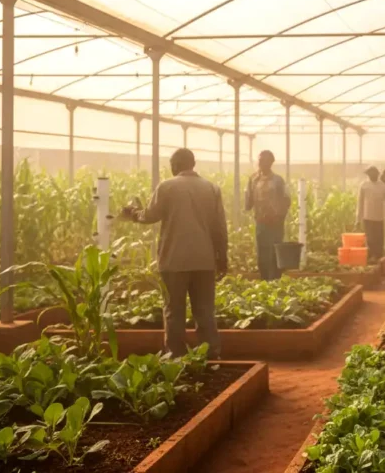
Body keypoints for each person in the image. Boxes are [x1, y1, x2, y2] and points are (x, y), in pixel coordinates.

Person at [121, 148, 226, 359]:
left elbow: (149, 216)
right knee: (204, 311)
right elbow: (219, 228)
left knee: (174, 311)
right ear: (193, 164)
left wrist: (132, 213)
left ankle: (175, 356)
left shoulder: (167, 187)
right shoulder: (212, 189)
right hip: (204, 261)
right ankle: (211, 354)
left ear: (175, 165)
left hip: (173, 260)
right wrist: (222, 258)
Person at [245, 150, 290, 280]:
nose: (260, 163)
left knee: (274, 251)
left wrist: (279, 215)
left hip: (275, 223)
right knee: (262, 251)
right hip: (261, 222)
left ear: (271, 162)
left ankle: (275, 278)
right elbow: (248, 202)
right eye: (259, 160)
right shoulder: (253, 179)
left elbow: (286, 199)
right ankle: (265, 278)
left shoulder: (278, 180)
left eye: (263, 160)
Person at [356, 166, 385, 264]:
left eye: (374, 174)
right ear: (368, 175)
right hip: (367, 217)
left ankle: (378, 257)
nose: (373, 176)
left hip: (379, 217)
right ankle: (371, 257)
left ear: (378, 175)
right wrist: (357, 219)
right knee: (370, 238)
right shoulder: (364, 185)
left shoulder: (382, 186)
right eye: (371, 174)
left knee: (378, 238)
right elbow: (360, 203)